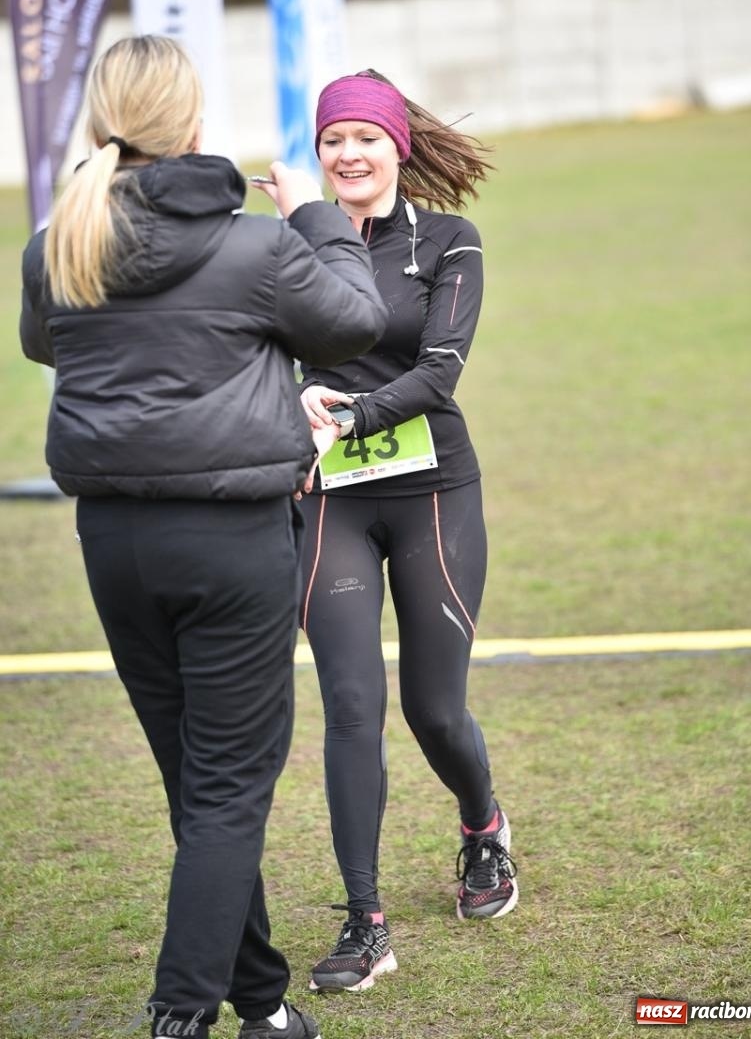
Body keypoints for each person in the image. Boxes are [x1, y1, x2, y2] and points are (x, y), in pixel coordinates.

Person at [19, 36, 388, 1039]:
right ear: (191, 124)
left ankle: (261, 1008)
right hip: (229, 544)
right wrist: (317, 214)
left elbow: (42, 342)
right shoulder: (258, 246)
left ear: (105, 122)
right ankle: (181, 1017)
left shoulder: (60, 238)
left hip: (112, 544)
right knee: (224, 795)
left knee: (202, 789)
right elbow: (354, 322)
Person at [294, 70, 518, 992]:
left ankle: (482, 828)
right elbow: (246, 357)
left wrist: (347, 417)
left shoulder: (450, 241)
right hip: (326, 500)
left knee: (432, 709)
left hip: (433, 493)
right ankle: (365, 920)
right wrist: (291, 400)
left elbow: (439, 373)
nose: (348, 154)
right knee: (350, 706)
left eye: (365, 138)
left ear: (398, 147)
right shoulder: (290, 246)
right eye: (332, 139)